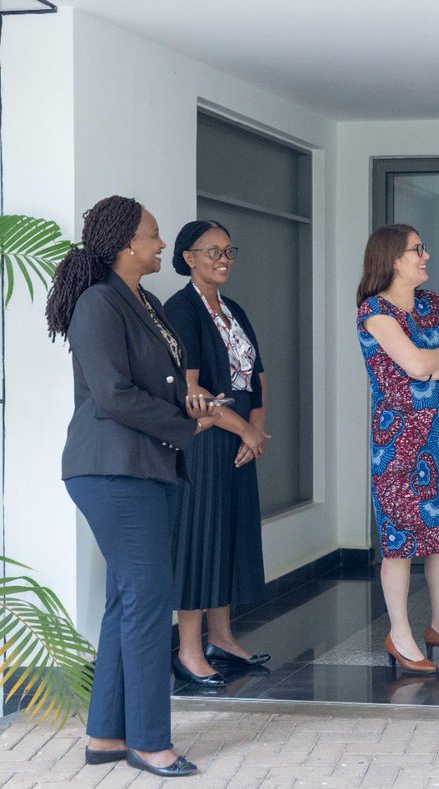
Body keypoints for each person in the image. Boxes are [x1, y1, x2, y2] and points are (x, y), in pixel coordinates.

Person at [46, 195, 220, 778]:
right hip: (112, 469)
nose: (159, 241)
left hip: (147, 466)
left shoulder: (144, 302)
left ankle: (105, 736)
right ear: (124, 244)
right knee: (147, 603)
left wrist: (191, 401)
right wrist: (184, 423)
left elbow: (158, 379)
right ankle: (151, 742)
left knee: (128, 600)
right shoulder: (99, 303)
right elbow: (113, 394)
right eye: (151, 234)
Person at [356, 224, 439, 674]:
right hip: (396, 440)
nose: (425, 256)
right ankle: (400, 633)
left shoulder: (434, 303)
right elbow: (414, 361)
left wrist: (428, 365)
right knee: (400, 538)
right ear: (393, 258)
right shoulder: (375, 311)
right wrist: (435, 360)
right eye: (417, 250)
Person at [164, 220, 271, 688]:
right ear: (189, 257)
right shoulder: (180, 309)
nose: (223, 259)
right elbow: (190, 389)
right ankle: (189, 650)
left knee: (230, 536)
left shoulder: (235, 310)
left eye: (229, 250)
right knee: (200, 540)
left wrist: (256, 431)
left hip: (240, 440)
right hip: (205, 439)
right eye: (213, 251)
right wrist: (245, 429)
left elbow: (258, 378)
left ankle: (222, 637)